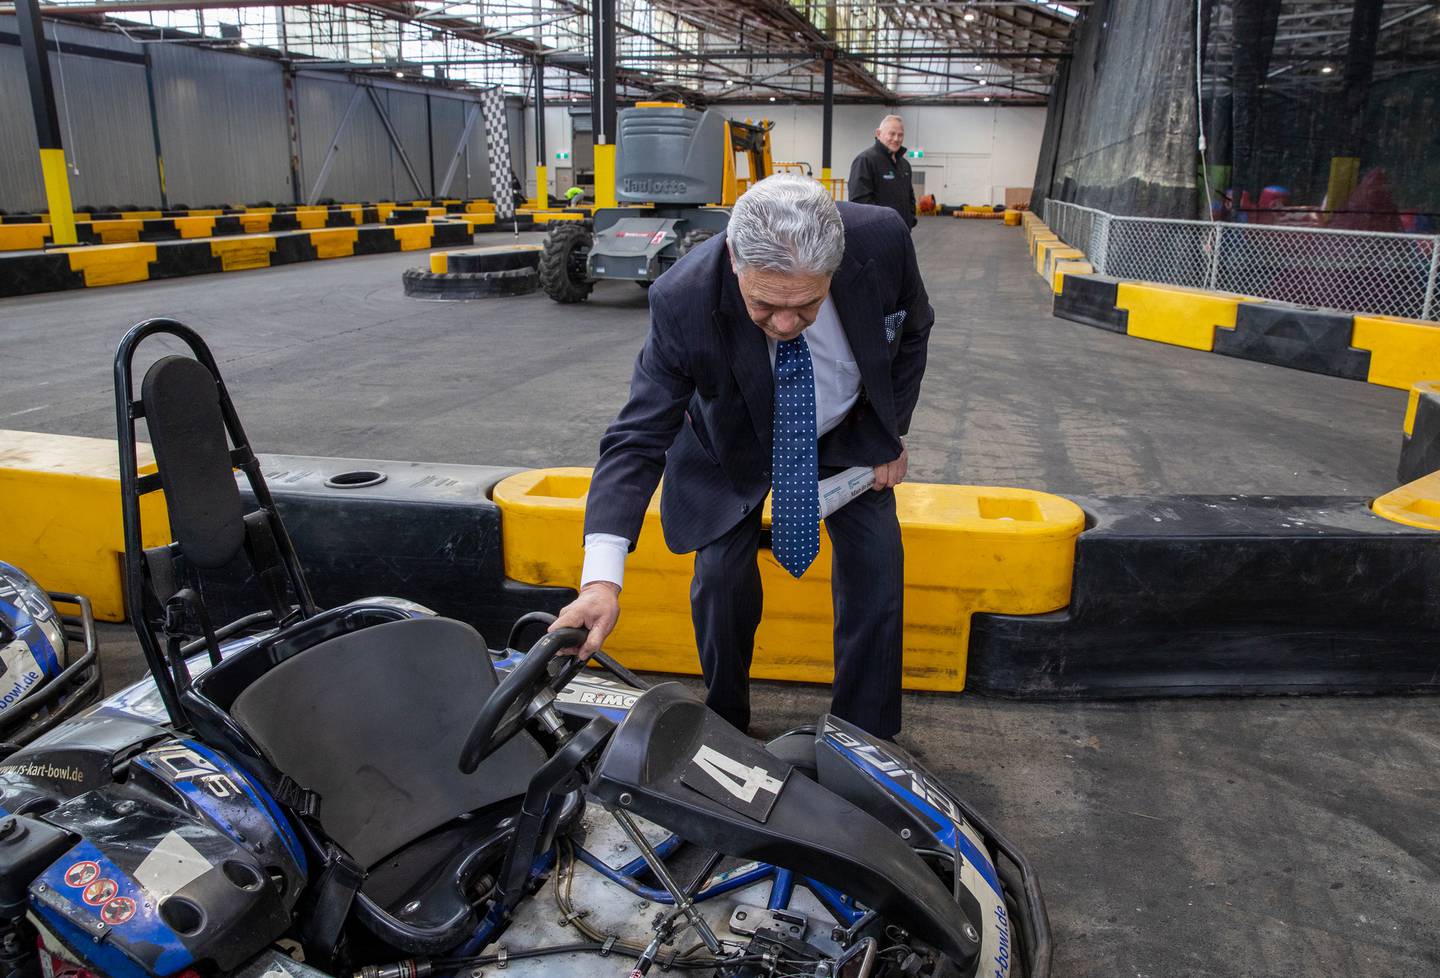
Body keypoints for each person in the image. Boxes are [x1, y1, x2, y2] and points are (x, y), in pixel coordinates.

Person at [549, 174, 933, 740]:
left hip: (845, 431)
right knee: (721, 580)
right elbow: (636, 437)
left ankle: (864, 737)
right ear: (733, 258)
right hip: (730, 439)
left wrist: (891, 431)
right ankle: (725, 721)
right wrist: (599, 582)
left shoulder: (882, 238)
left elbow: (914, 327)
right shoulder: (684, 299)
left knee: (878, 563)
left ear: (837, 266)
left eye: (807, 304)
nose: (784, 324)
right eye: (764, 304)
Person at [848, 115, 917, 231]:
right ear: (878, 134)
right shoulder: (865, 160)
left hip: (902, 233)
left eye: (900, 135)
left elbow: (910, 196)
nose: (896, 139)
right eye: (892, 134)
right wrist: (882, 225)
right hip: (876, 235)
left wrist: (910, 219)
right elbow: (859, 203)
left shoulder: (904, 165)